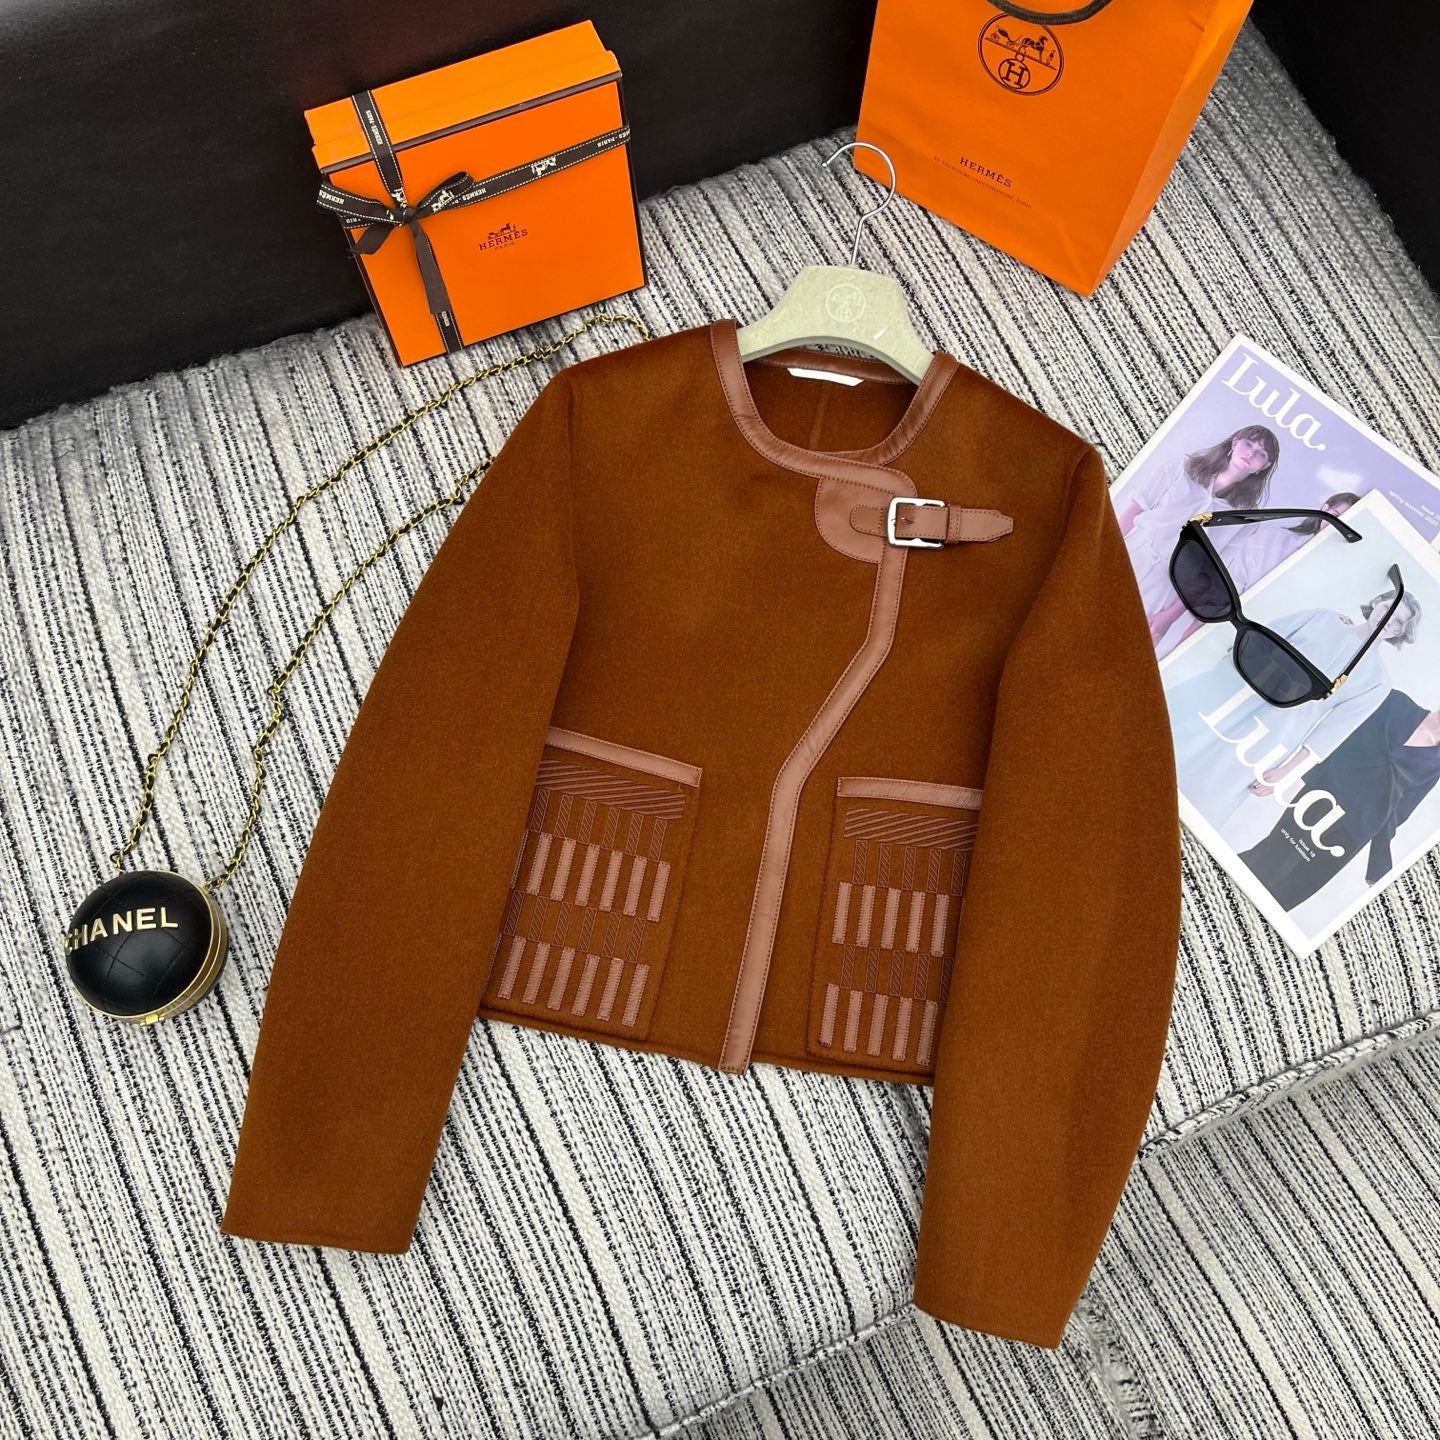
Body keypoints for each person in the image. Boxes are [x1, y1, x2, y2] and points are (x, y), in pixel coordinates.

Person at [1166, 579, 1421, 836]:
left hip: (1274, 734)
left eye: (1399, 622)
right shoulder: (1323, 619)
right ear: (1376, 602)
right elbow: (1261, 638)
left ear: (1402, 632)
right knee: (1176, 741)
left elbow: (1333, 731)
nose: (1389, 621)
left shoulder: (1378, 680)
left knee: (1211, 788)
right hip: (1241, 695)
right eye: (1388, 609)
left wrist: (1286, 773)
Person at [1239, 690, 1440, 909]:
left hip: (1356, 830)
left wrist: (1379, 866)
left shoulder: (1436, 763)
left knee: (1293, 890)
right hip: (1322, 796)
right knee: (1268, 860)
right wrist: (1287, 773)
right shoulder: (1395, 702)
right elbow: (1334, 738)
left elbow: (1399, 812)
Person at [1115, 424, 1279, 645]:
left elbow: (1209, 575)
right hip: (1130, 556)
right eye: (1248, 444)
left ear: (1264, 466)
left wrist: (1168, 617)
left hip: (1166, 590)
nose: (1251, 453)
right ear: (1235, 442)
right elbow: (1133, 511)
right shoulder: (1182, 467)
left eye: (1261, 453)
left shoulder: (1245, 518)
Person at [1151, 491, 1362, 660]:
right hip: (1222, 617)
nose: (1336, 525)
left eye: (1346, 521)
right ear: (1324, 508)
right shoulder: (1276, 538)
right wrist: (1175, 617)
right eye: (1335, 516)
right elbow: (1231, 580)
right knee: (1178, 653)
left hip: (1261, 640)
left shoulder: (1327, 574)